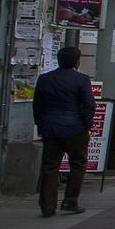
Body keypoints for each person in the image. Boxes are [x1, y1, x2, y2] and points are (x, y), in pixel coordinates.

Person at [32, 46, 95, 217]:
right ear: (77, 62)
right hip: (74, 127)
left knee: (50, 166)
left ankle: (47, 206)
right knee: (78, 163)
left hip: (50, 127)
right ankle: (70, 201)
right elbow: (89, 104)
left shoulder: (45, 79)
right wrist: (87, 124)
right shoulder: (81, 79)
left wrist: (41, 124)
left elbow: (37, 105)